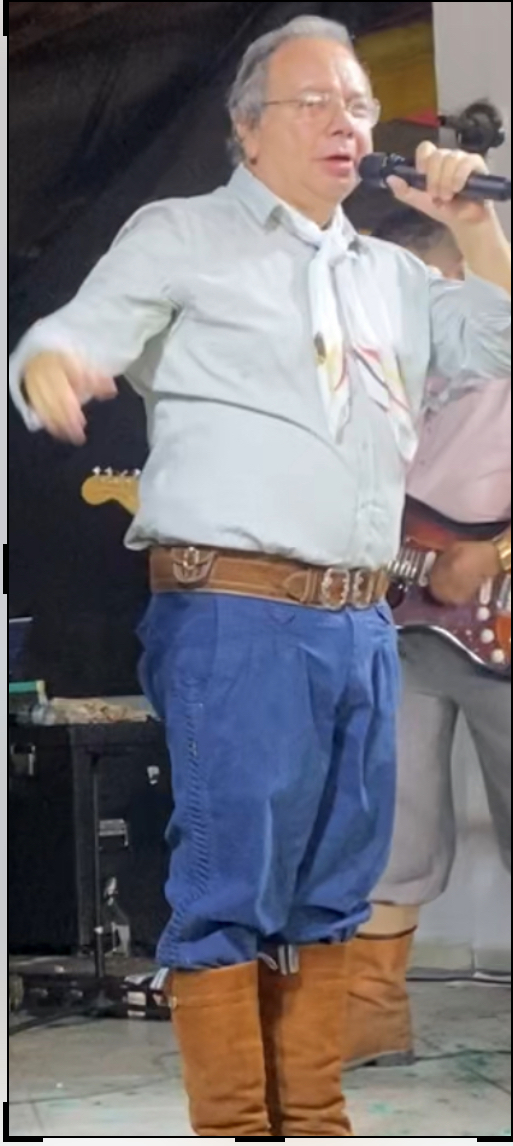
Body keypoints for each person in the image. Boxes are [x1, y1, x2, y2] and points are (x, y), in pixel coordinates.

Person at [9, 15, 511, 1138]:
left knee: (339, 882)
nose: (348, 123)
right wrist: (52, 367)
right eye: (316, 102)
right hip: (235, 609)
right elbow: (73, 332)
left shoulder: (390, 273)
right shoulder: (183, 234)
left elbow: (505, 340)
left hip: (362, 622)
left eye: (360, 107)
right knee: (231, 878)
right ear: (246, 128)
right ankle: (240, 1126)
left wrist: (473, 225)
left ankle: (314, 1118)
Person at [345, 206, 511, 1071]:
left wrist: (496, 553)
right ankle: (371, 1016)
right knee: (390, 819)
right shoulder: (372, 362)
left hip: (497, 607)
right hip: (403, 618)